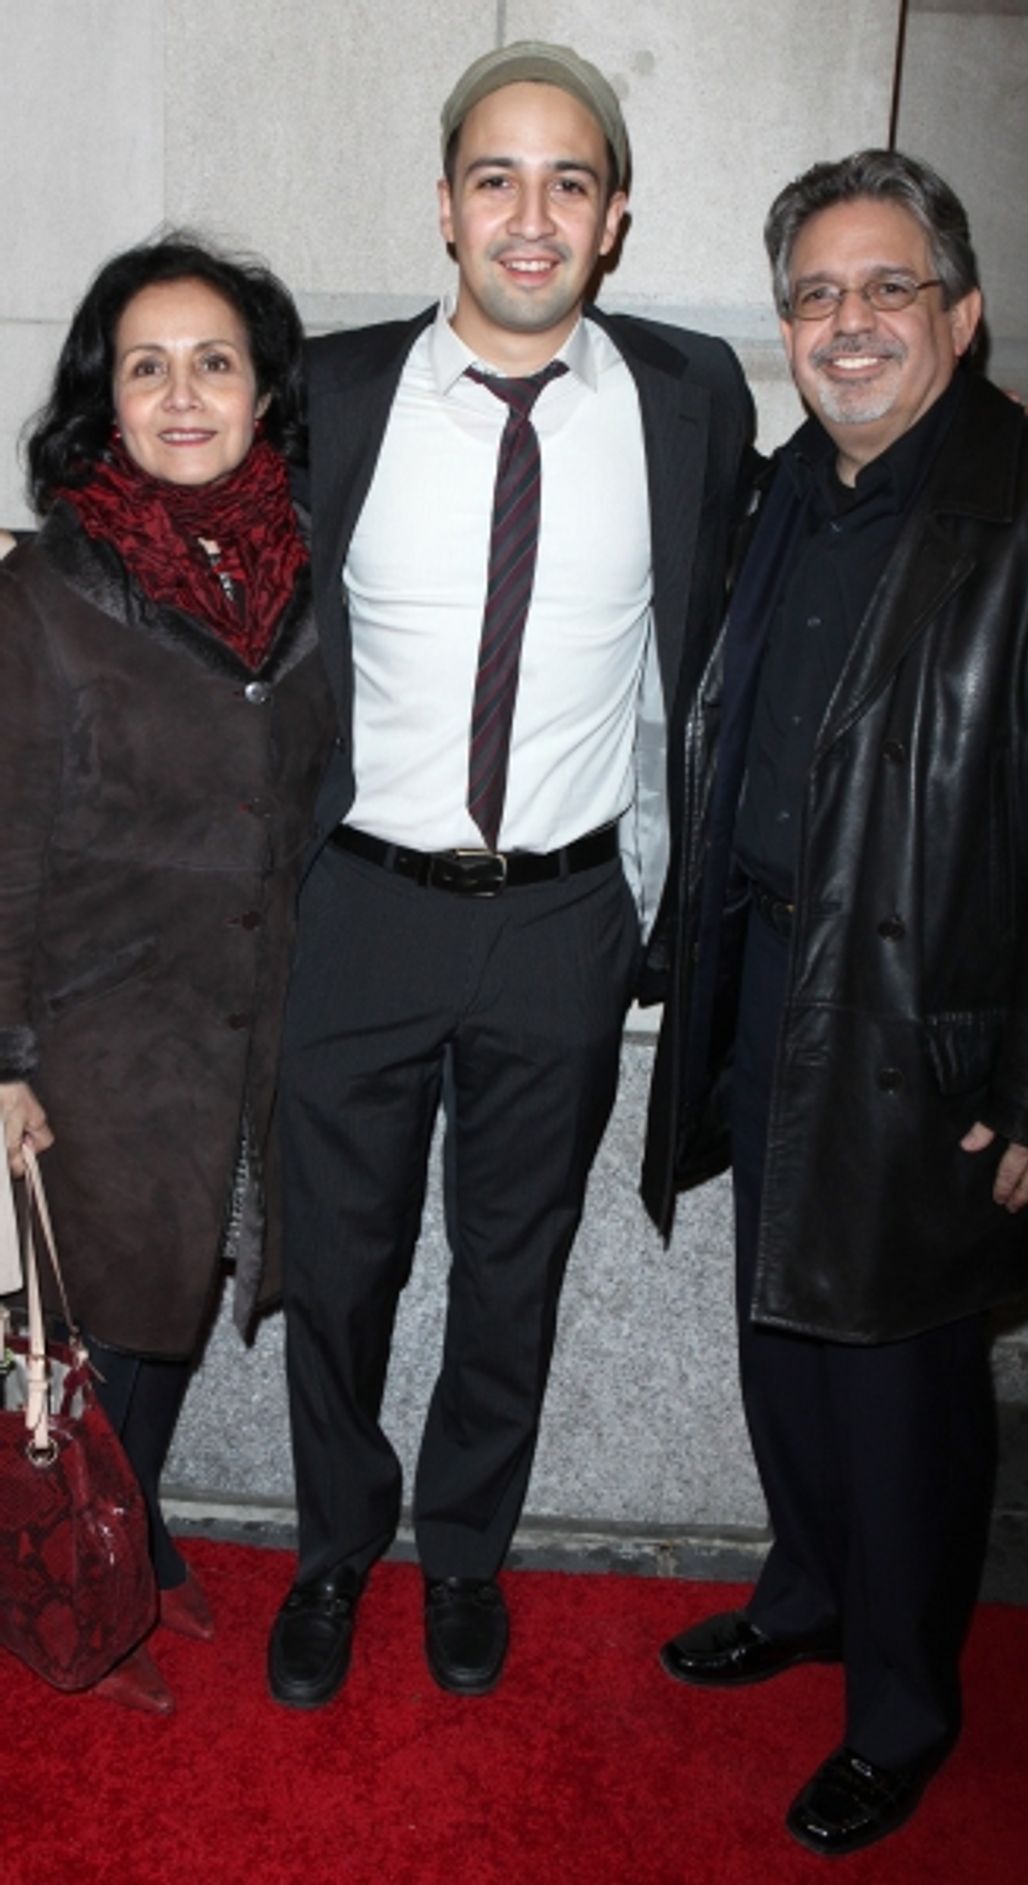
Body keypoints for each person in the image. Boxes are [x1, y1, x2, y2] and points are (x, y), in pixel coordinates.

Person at [642, 150, 1028, 1857]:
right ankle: (807, 1592)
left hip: (932, 1035)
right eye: (817, 294)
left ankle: (901, 1708)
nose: (851, 322)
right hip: (769, 985)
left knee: (902, 1396)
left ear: (964, 312)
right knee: (782, 1337)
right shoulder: (775, 498)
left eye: (890, 288)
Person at [266, 41, 753, 1710]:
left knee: (512, 1264)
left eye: (568, 182)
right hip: (357, 908)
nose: (529, 216)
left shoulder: (691, 399)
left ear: (613, 219)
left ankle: (465, 1548)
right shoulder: (332, 391)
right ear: (445, 205)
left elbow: (777, 551)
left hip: (562, 918)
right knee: (339, 1266)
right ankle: (337, 1545)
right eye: (497, 178)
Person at [0, 236, 335, 1715]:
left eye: (213, 363)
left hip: (246, 1028)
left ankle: (140, 1532)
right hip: (98, 1037)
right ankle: (94, 1583)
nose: (183, 395)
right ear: (106, 399)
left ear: (262, 392)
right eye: (148, 367)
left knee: (180, 1299)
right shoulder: (46, 592)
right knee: (114, 1325)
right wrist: (2, 1058)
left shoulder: (301, 569)